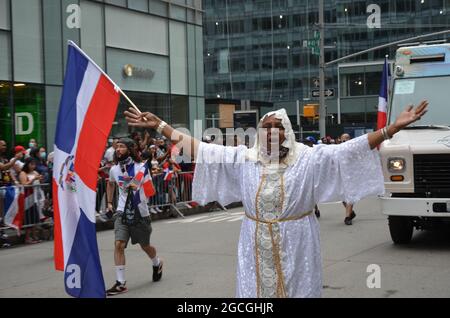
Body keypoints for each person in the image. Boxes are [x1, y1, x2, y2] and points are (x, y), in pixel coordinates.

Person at [125, 100, 428, 298]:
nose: (269, 132)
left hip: (297, 241)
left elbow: (349, 151)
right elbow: (201, 149)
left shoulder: (309, 159)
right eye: (264, 127)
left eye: (275, 128)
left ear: (287, 133)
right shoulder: (245, 158)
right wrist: (161, 127)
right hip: (254, 241)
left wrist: (391, 129)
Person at [105, 138, 163, 296]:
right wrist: (110, 202)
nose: (118, 149)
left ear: (130, 149)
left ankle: (157, 263)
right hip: (121, 212)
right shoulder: (114, 170)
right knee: (119, 244)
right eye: (117, 147)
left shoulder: (141, 168)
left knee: (145, 246)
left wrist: (138, 188)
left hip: (140, 213)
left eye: (122, 146)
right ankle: (120, 283)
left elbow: (151, 190)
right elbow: (110, 183)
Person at [19, 158, 44, 244]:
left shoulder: (35, 172)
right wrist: (33, 179)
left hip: (35, 196)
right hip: (27, 197)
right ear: (27, 164)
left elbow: (40, 182)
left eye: (34, 164)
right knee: (28, 217)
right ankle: (27, 237)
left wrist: (40, 179)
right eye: (31, 164)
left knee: (34, 217)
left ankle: (34, 236)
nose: (33, 166)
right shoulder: (23, 173)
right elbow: (24, 184)